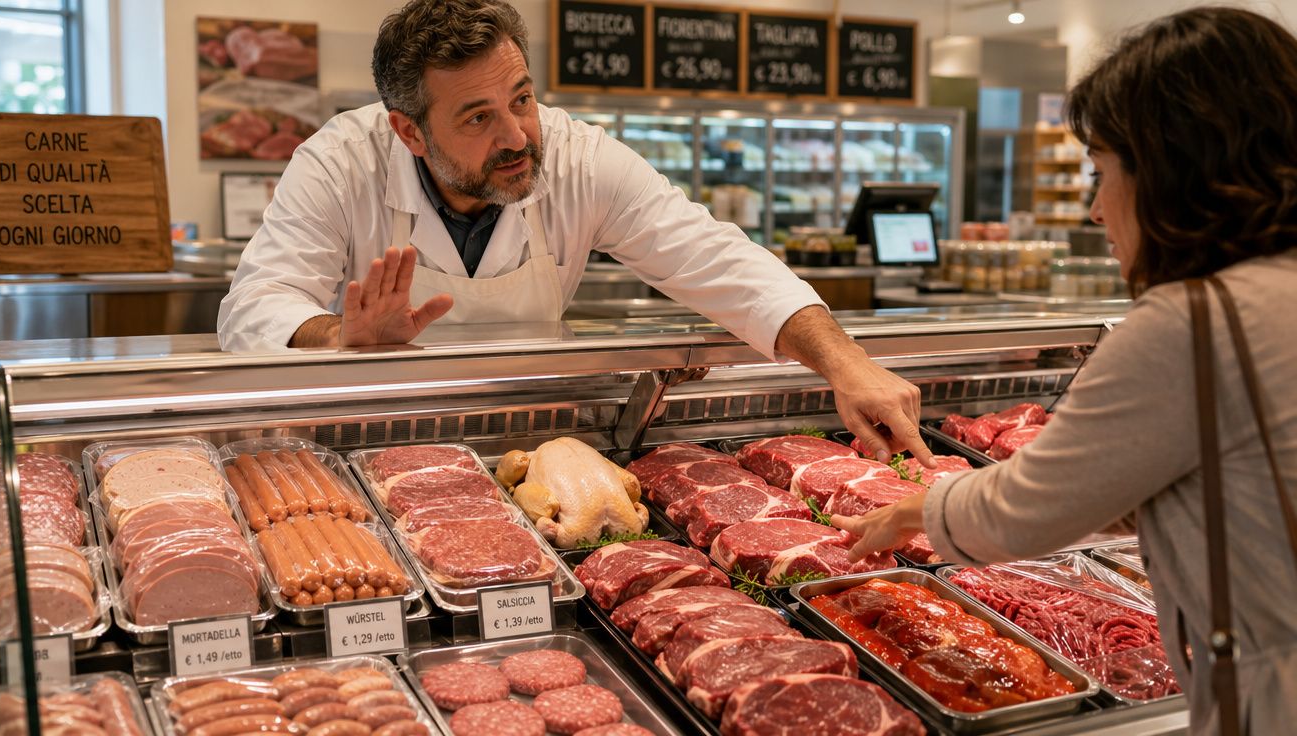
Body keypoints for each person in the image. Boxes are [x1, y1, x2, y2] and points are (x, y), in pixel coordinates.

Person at [833, 8, 1297, 734]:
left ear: (1171, 171)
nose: (1093, 209)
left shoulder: (1196, 323)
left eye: (1102, 171)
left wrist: (913, 511)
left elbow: (1029, 510)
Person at [217, 0, 932, 465]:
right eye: (477, 118)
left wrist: (847, 362)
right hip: (374, 446)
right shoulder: (340, 161)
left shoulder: (578, 155)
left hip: (530, 444)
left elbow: (716, 258)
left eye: (522, 98)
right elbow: (253, 306)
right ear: (408, 130)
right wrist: (340, 338)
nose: (518, 134)